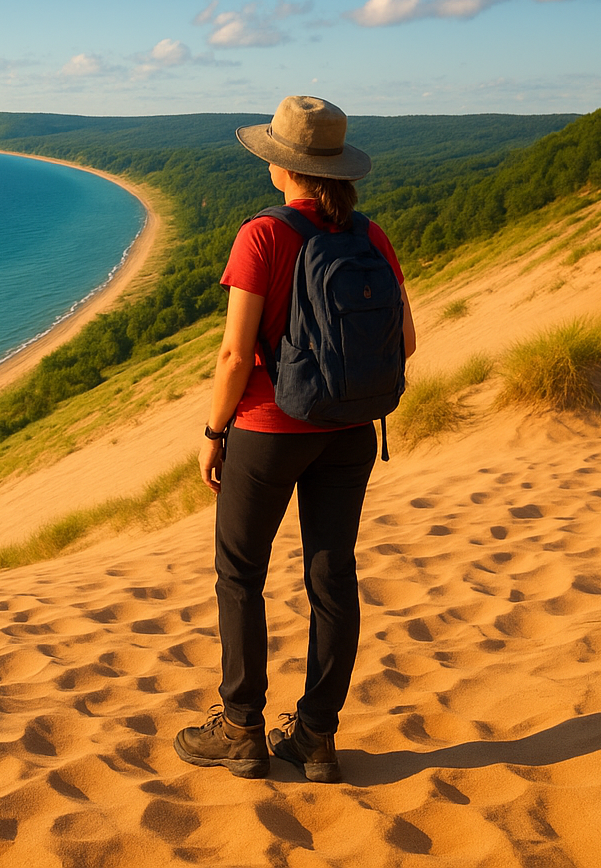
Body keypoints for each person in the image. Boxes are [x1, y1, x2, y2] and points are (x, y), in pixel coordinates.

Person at [173, 96, 417, 782]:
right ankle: (315, 737)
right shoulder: (370, 236)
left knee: (241, 575)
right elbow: (408, 342)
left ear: (285, 165)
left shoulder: (264, 235)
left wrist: (213, 431)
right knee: (332, 578)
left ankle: (241, 728)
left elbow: (233, 353)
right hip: (351, 431)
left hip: (269, 430)